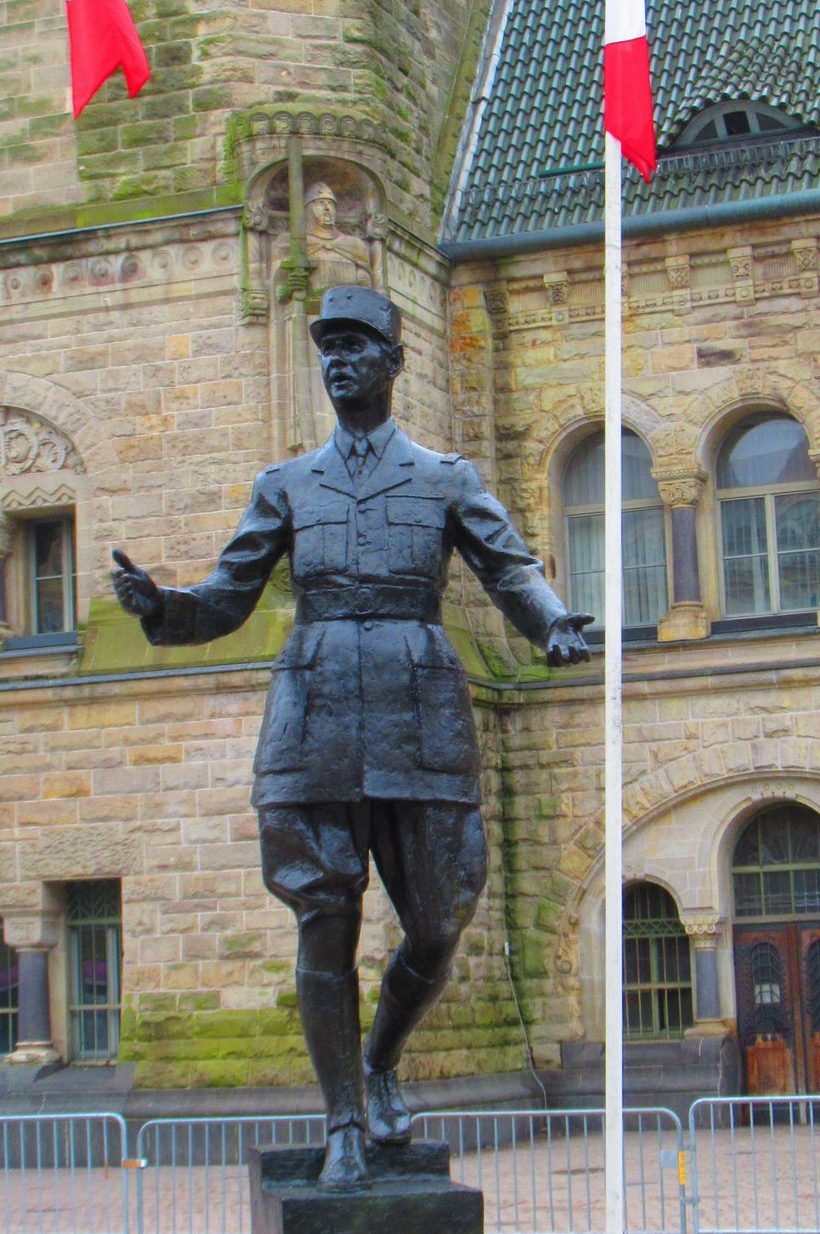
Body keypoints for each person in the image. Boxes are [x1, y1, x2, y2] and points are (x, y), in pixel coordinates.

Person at [111, 284, 591, 1188]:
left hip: (419, 707)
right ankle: (341, 1121)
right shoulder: (286, 485)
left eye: (356, 346)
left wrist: (554, 623)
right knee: (324, 921)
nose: (338, 361)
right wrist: (162, 607)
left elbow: (510, 567)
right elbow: (228, 596)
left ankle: (378, 1061)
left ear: (394, 362)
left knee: (439, 920)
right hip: (316, 708)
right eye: (327, 348)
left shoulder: (446, 477)